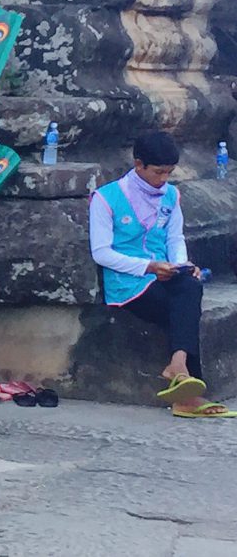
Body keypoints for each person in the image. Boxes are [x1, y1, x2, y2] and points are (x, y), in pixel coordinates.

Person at [90, 130, 232, 417]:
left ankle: (179, 367)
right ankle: (188, 392)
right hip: (128, 282)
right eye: (158, 172)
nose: (164, 179)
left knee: (190, 285)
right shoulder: (106, 199)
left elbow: (174, 239)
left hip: (165, 274)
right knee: (183, 307)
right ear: (138, 164)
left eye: (169, 172)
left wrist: (181, 264)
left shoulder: (171, 195)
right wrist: (148, 267)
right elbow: (102, 253)